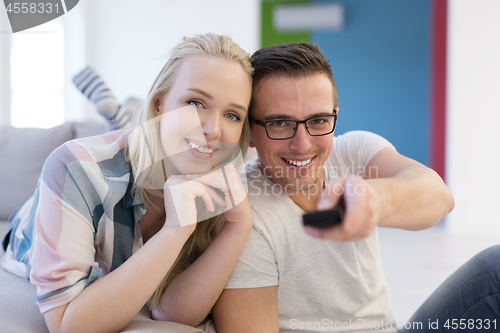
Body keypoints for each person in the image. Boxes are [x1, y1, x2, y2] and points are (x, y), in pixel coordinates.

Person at [1, 33, 254, 333]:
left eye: (232, 115)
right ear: (159, 103)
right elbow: (69, 325)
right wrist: (175, 230)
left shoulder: (224, 187)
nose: (213, 128)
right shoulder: (74, 166)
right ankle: (121, 116)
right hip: (34, 219)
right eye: (196, 102)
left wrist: (238, 228)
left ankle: (123, 117)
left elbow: (173, 313)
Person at [208, 42, 458, 333]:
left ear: (334, 116)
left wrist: (375, 198)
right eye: (279, 123)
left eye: (318, 120)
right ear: (250, 132)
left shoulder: (353, 152)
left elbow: (439, 197)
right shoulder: (242, 213)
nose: (302, 144)